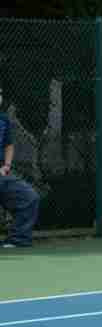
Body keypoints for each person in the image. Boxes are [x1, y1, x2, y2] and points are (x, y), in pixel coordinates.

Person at [0, 89, 40, 249]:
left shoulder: (4, 120)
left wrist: (6, 166)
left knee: (30, 197)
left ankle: (17, 239)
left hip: (2, 174)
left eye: (1, 93)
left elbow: (9, 145)